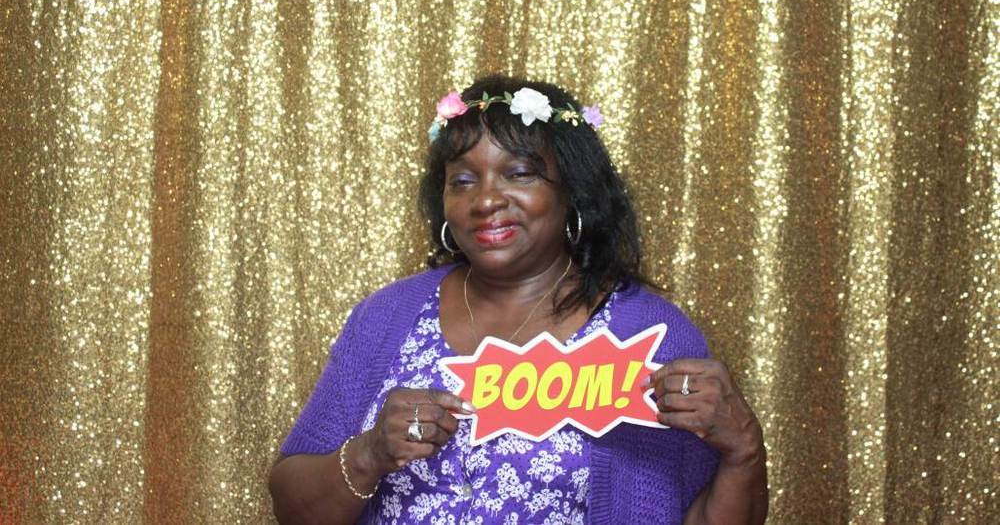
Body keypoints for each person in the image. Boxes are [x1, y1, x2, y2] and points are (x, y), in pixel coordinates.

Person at [269, 75, 768, 524]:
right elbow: (292, 505)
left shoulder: (650, 334)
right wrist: (369, 454)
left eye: (520, 174)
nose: (486, 200)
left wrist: (744, 451)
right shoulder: (387, 317)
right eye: (463, 181)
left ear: (573, 191)